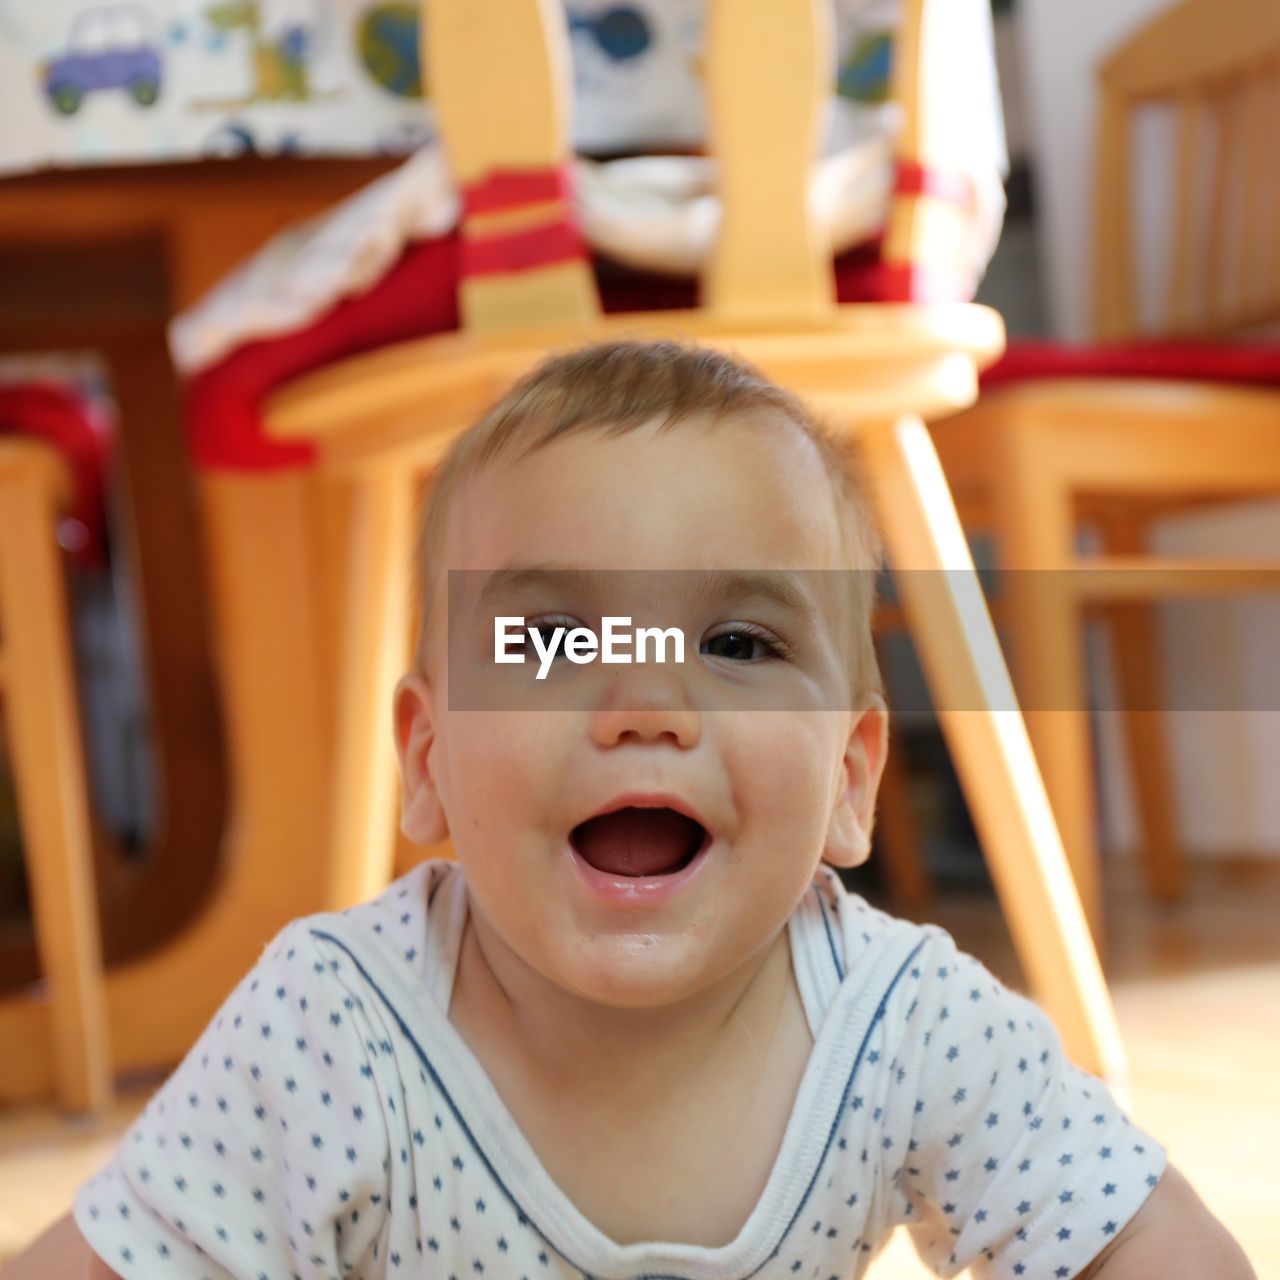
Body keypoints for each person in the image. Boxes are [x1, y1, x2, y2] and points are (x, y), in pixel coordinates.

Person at [5, 339, 1254, 1279]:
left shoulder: (902, 1023)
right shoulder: (337, 1028)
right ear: (427, 759)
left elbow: (1144, 1238)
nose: (646, 700)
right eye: (550, 639)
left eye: (734, 637)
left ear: (850, 777)